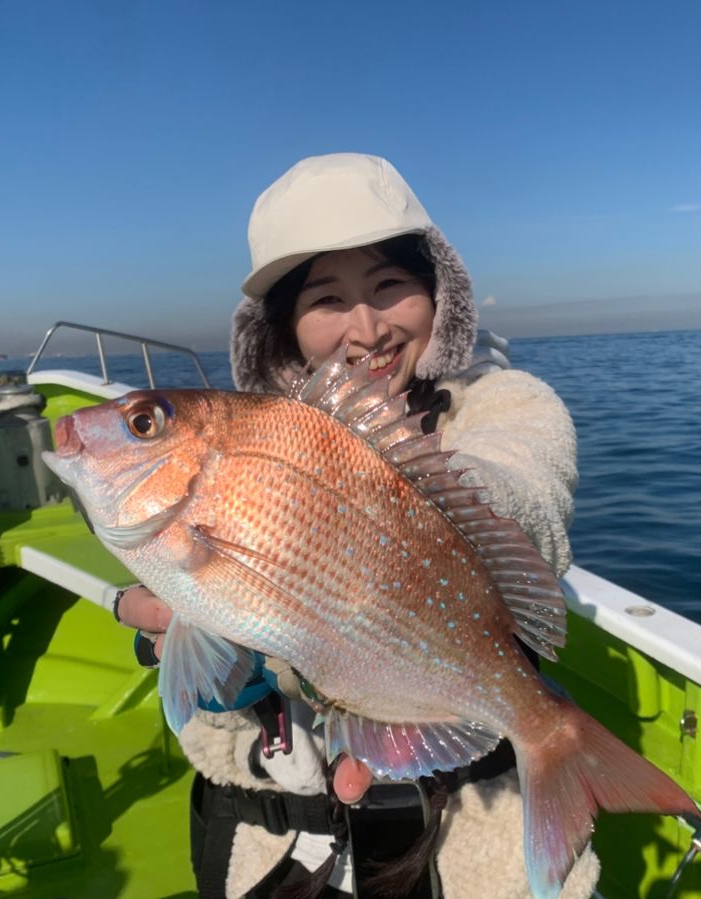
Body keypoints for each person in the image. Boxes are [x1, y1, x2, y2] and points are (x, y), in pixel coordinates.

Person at [115, 153, 589, 898]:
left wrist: (406, 518)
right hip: (281, 825)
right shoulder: (252, 448)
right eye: (328, 298)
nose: (366, 328)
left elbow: (525, 486)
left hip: (464, 812)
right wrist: (195, 643)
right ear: (284, 325)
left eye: (390, 286)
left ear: (439, 294)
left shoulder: (508, 404)